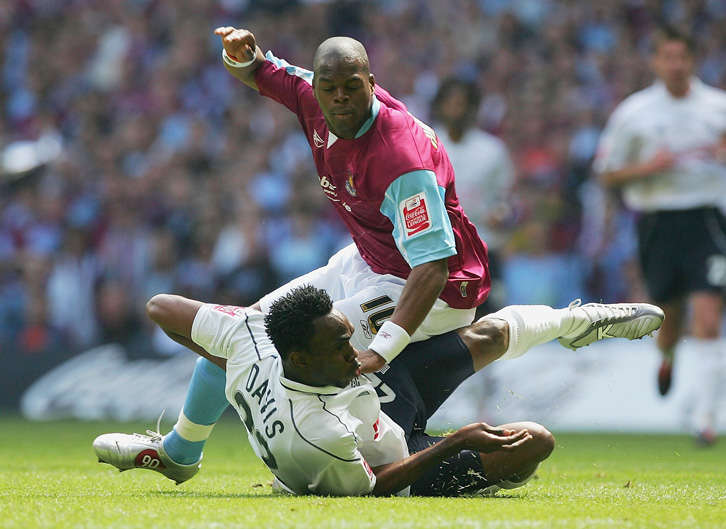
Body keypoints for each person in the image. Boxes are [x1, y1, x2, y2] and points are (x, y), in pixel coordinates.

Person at [131, 25, 499, 477]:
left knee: (280, 346)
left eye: (351, 88)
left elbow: (433, 268)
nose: (339, 97)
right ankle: (181, 452)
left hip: (433, 288)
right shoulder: (313, 93)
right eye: (330, 88)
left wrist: (382, 350)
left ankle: (332, 458)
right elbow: (260, 70)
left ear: (371, 83)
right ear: (319, 87)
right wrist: (239, 54)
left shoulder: (400, 159)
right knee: (245, 326)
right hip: (369, 256)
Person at [93, 285, 664, 496]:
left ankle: (576, 323)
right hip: (404, 458)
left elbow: (161, 307)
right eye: (341, 348)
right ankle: (176, 453)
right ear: (300, 359)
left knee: (484, 328)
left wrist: (233, 352)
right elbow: (378, 486)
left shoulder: (256, 337)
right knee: (535, 443)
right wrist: (454, 441)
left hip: (371, 398)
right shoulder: (312, 435)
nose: (355, 352)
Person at [595, 26, 726, 445]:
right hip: (657, 223)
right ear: (656, 62)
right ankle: (667, 356)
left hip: (706, 219)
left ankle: (705, 419)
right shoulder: (635, 113)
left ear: (693, 60)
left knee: (708, 317)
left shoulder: (717, 108)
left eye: (682, 57)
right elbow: (606, 172)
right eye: (667, 57)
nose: (676, 65)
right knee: (669, 320)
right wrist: (649, 168)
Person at [431, 77, 516, 315]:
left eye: (462, 104)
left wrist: (502, 213)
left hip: (483, 246)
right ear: (440, 106)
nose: (457, 110)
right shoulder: (428, 146)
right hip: (441, 249)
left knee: (486, 317)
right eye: (451, 103)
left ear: (473, 109)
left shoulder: (491, 151)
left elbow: (506, 198)